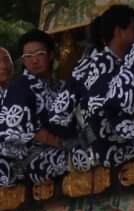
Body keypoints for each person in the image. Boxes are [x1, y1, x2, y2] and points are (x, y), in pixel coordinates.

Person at [70, 5, 134, 169]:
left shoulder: (121, 63)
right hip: (112, 149)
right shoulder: (101, 65)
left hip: (124, 140)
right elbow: (108, 115)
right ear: (119, 32)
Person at [0, 31, 78, 187]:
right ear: (23, 60)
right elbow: (30, 131)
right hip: (34, 158)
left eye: (39, 54)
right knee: (86, 158)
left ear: (50, 55)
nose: (34, 60)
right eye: (28, 56)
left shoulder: (62, 86)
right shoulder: (19, 88)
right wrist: (63, 144)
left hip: (68, 146)